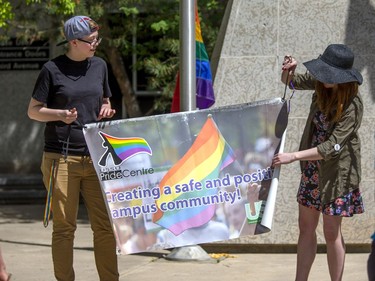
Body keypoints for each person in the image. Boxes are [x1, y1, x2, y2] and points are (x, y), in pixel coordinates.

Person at [27, 15, 119, 281]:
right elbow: (33, 111)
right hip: (61, 158)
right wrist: (59, 114)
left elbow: (104, 100)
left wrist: (106, 108)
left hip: (95, 158)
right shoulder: (51, 70)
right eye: (91, 41)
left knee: (104, 227)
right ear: (74, 42)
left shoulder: (99, 66)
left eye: (96, 39)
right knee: (65, 228)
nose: (95, 44)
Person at [272, 44, 365, 281]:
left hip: (337, 173)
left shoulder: (353, 104)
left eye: (329, 75)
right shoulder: (320, 83)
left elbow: (331, 146)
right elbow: (290, 83)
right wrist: (288, 70)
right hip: (313, 169)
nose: (324, 79)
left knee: (331, 231)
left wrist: (292, 156)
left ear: (343, 78)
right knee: (306, 228)